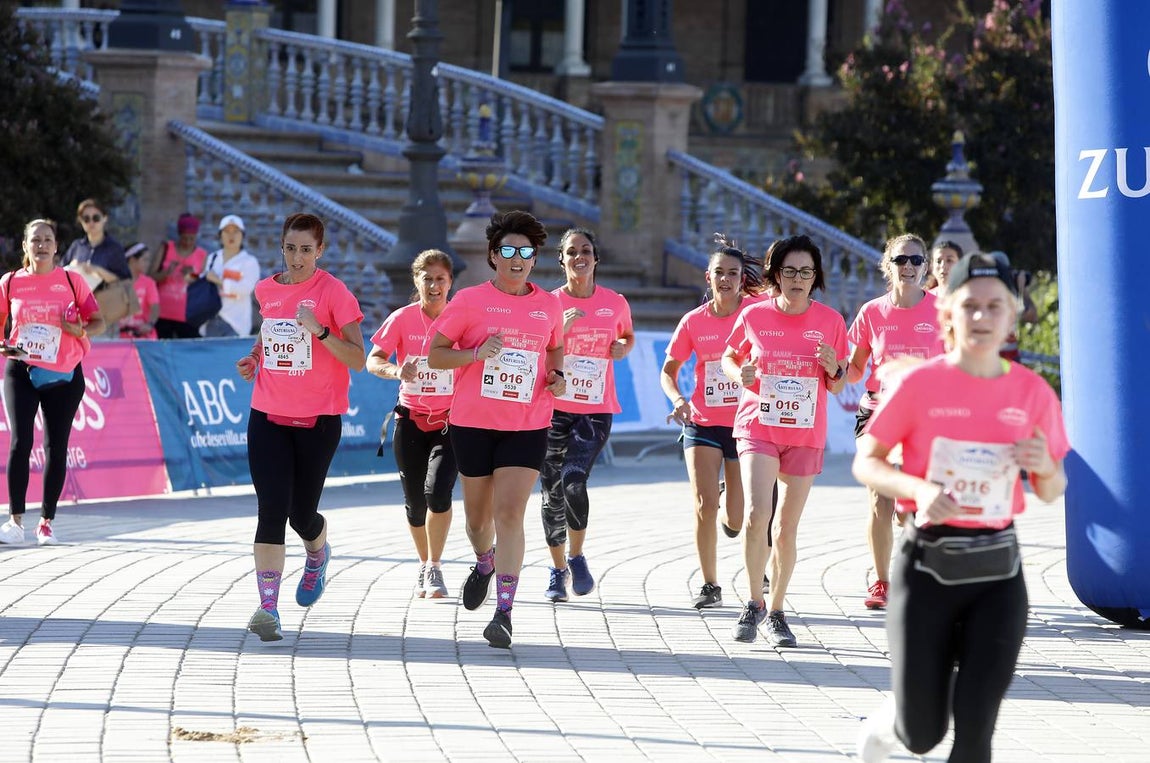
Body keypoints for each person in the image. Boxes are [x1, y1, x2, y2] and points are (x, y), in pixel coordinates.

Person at [852, 251, 1069, 762]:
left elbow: (1053, 489)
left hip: (998, 573)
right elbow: (867, 462)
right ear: (947, 313)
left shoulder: (1033, 392)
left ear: (1011, 317)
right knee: (923, 734)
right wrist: (921, 490)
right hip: (927, 566)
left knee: (975, 736)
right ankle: (887, 729)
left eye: (995, 307)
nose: (982, 317)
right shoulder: (920, 383)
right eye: (970, 305)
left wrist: (1044, 465)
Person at [427, 210, 565, 649]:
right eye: (508, 250)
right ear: (493, 256)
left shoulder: (549, 304)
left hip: (527, 424)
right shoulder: (468, 300)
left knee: (510, 514)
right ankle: (484, 562)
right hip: (472, 424)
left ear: (534, 258)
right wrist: (475, 355)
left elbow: (555, 347)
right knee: (477, 522)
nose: (517, 258)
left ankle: (504, 611)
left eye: (526, 252)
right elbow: (435, 355)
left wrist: (556, 375)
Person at [235, 213, 365, 642]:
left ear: (320, 251)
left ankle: (317, 552)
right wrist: (255, 357)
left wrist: (322, 330)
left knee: (300, 514)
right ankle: (267, 608)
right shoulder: (266, 289)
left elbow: (357, 358)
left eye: (306, 250)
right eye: (290, 248)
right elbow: (270, 335)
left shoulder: (334, 292)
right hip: (268, 414)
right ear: (281, 247)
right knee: (271, 509)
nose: (297, 257)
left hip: (318, 421)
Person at [722, 234, 848, 647]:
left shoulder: (830, 320)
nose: (798, 279)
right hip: (758, 425)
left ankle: (776, 610)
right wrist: (735, 373)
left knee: (786, 528)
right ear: (777, 275)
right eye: (790, 271)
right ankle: (752, 602)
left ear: (816, 278)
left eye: (806, 272)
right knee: (759, 516)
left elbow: (839, 381)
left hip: (805, 432)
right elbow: (729, 356)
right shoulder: (755, 316)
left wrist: (834, 368)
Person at [661, 238, 764, 609]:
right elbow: (668, 371)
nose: (725, 279)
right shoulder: (693, 321)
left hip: (745, 424)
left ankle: (729, 504)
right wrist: (678, 400)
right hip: (702, 423)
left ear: (741, 279)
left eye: (732, 274)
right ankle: (709, 584)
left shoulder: (757, 313)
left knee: (736, 521)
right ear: (709, 277)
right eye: (719, 273)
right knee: (703, 505)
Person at [845, 234, 944, 610]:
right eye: (901, 260)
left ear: (926, 266)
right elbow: (855, 369)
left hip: (925, 419)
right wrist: (831, 367)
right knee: (879, 499)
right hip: (877, 412)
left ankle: (923, 572)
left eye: (916, 261)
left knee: (914, 506)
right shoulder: (871, 312)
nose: (909, 267)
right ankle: (882, 582)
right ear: (887, 264)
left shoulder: (942, 311)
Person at [540, 227, 634, 602]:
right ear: (561, 260)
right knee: (551, 493)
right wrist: (559, 331)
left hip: (594, 410)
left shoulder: (615, 302)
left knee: (573, 481)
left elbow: (627, 336)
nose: (579, 257)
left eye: (586, 250)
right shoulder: (548, 303)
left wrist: (622, 348)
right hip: (553, 408)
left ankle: (576, 557)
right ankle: (556, 568)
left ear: (596, 258)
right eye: (571, 251)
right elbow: (536, 351)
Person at [0, 219, 105, 546]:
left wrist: (79, 331)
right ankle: (15, 520)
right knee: (20, 442)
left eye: (47, 239)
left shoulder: (72, 281)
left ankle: (46, 521)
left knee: (56, 446)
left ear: (57, 246)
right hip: (22, 369)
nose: (41, 245)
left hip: (64, 374)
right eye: (35, 240)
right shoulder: (10, 282)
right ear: (25, 246)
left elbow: (98, 321)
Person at [367, 249, 459, 599]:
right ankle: (424, 564)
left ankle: (434, 566)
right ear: (416, 281)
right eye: (427, 278)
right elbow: (373, 360)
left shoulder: (460, 317)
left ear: (450, 282)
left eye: (441, 279)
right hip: (410, 420)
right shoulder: (403, 318)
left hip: (450, 422)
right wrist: (395, 370)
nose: (434, 285)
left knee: (437, 493)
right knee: (414, 504)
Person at [61, 198, 130, 337]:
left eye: (96, 218)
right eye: (86, 218)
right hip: (77, 313)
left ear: (105, 218)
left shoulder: (114, 248)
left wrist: (98, 271)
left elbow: (124, 279)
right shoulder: (77, 246)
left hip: (105, 310)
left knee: (104, 354)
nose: (91, 222)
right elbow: (60, 272)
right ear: (81, 221)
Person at [201, 214, 260, 337]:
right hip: (211, 319)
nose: (231, 235)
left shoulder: (249, 261)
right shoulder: (213, 258)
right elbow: (206, 283)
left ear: (242, 235)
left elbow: (246, 288)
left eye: (236, 231)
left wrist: (219, 281)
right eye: (227, 231)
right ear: (220, 235)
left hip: (236, 323)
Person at [154, 212, 208, 339]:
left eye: (192, 238)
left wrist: (191, 275)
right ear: (179, 235)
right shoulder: (166, 248)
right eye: (185, 238)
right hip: (163, 312)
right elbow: (151, 277)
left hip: (188, 314)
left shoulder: (201, 254)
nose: (188, 242)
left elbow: (201, 282)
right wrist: (166, 273)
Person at [119, 242, 160, 339]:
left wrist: (150, 324)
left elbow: (155, 308)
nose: (148, 264)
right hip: (120, 337)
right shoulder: (115, 283)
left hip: (143, 337)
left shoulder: (149, 283)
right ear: (133, 260)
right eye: (145, 260)